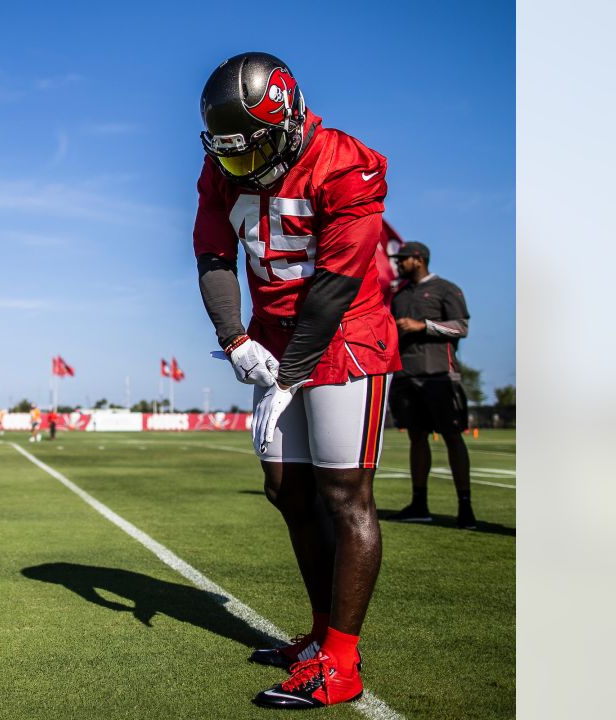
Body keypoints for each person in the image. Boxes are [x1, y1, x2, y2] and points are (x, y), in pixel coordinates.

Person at [193, 52, 401, 710]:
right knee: (286, 488)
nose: (239, 167)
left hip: (345, 337)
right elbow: (212, 254)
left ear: (285, 120)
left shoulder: (346, 162)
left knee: (345, 494)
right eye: (229, 154)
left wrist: (290, 374)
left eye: (249, 151)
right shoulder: (224, 166)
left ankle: (343, 659)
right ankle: (318, 635)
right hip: (274, 334)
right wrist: (235, 340)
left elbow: (337, 285)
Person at [386, 241, 476, 528]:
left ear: (419, 259)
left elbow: (461, 327)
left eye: (403, 260)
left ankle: (465, 507)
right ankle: (419, 503)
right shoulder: (398, 295)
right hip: (405, 376)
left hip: (439, 376)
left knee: (452, 436)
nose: (398, 264)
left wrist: (423, 325)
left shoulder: (447, 289)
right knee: (416, 438)